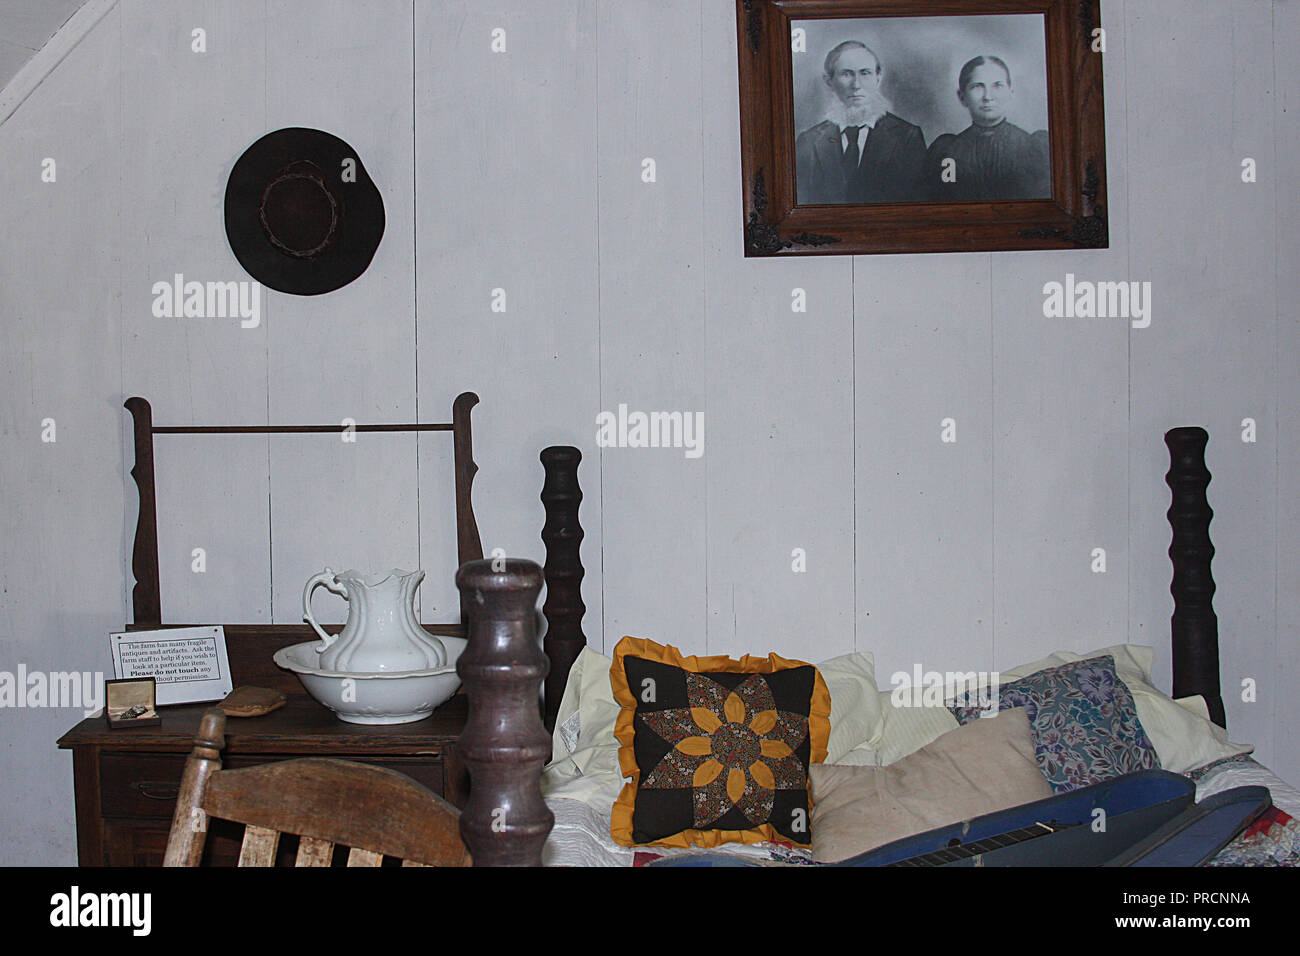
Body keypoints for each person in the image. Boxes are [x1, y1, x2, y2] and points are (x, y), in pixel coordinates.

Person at [795, 41, 927, 204]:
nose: (856, 85)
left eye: (865, 73)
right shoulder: (809, 141)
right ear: (829, 81)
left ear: (878, 78)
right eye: (846, 74)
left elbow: (915, 204)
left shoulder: (906, 137)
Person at [924, 55, 1050, 201]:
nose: (988, 96)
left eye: (997, 85)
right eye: (977, 86)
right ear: (962, 97)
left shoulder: (1033, 147)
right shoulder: (946, 150)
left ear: (1011, 92)